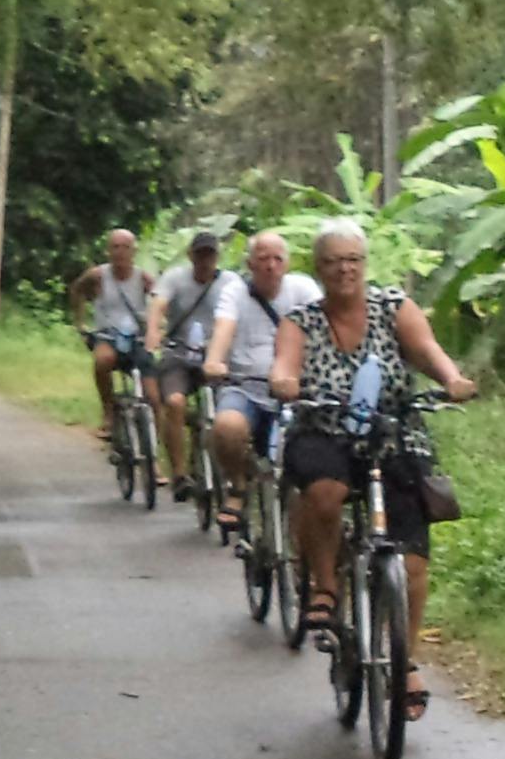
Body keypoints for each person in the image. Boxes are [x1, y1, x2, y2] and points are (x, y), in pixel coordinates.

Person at [270, 219, 478, 697]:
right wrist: (284, 381)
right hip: (325, 426)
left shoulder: (392, 307)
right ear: (318, 269)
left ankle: (405, 662)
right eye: (333, 261)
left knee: (412, 561)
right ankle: (325, 586)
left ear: (364, 265)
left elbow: (426, 350)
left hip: (392, 430)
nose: (345, 269)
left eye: (353, 260)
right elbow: (285, 363)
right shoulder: (300, 321)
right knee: (325, 491)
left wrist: (452, 379)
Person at [197, 229, 320, 535]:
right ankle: (237, 488)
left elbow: (324, 327)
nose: (271, 266)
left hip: (297, 392)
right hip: (246, 386)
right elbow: (225, 326)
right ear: (250, 264)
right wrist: (214, 360)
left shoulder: (303, 289)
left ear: (287, 264)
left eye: (278, 259)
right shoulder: (235, 292)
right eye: (263, 258)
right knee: (226, 427)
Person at [151, 229, 231, 513]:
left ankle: (232, 479)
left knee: (230, 416)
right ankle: (180, 473)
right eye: (200, 254)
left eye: (210, 254)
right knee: (174, 402)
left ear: (217, 256)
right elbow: (158, 306)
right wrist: (152, 335)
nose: (205, 260)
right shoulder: (175, 278)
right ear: (190, 255)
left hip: (216, 357)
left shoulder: (230, 283)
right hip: (179, 354)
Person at [69, 229, 153, 441]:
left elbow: (160, 301)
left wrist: (156, 327)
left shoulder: (142, 278)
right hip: (107, 335)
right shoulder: (98, 275)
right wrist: (80, 323)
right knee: (102, 361)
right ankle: (108, 411)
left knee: (153, 386)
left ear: (134, 251)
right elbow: (76, 290)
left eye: (125, 247)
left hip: (136, 337)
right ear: (108, 251)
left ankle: (149, 434)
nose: (120, 252)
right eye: (115, 247)